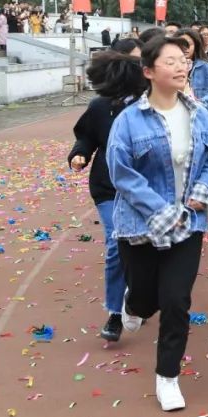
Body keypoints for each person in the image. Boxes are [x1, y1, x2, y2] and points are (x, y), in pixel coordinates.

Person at [105, 35, 208, 411]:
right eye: (170, 61)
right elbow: (121, 172)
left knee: (176, 300)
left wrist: (204, 188)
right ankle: (132, 304)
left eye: (183, 60)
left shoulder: (199, 114)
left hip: (188, 223)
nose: (180, 66)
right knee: (146, 300)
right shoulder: (129, 120)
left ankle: (168, 376)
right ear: (148, 71)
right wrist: (159, 209)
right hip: (141, 226)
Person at [68, 39, 145, 342]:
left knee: (144, 248)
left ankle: (137, 298)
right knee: (117, 241)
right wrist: (79, 154)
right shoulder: (100, 107)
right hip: (108, 188)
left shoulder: (154, 104)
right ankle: (115, 312)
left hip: (147, 188)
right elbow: (86, 137)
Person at [177, 28, 208, 123]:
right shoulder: (169, 67)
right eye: (180, 44)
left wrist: (197, 105)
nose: (185, 48)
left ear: (196, 45)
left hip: (203, 119)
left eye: (189, 44)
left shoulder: (207, 66)